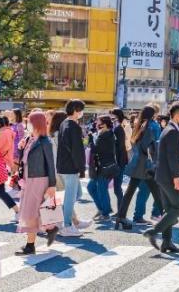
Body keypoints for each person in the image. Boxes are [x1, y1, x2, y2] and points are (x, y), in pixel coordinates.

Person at [143, 101, 179, 253]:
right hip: (169, 177)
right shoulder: (173, 131)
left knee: (169, 209)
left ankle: (167, 243)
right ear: (177, 115)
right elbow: (172, 157)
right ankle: (153, 232)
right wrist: (177, 178)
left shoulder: (168, 129)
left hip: (162, 176)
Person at [15, 110, 60, 256]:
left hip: (40, 180)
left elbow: (51, 165)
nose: (27, 124)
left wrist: (52, 185)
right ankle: (49, 229)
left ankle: (31, 244)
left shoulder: (45, 141)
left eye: (29, 121)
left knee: (31, 212)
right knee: (33, 212)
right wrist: (21, 148)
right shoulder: (29, 139)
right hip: (29, 179)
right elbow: (24, 160)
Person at [115, 104, 162, 230]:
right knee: (157, 191)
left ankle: (121, 217)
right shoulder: (153, 126)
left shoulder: (140, 124)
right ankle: (167, 216)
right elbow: (152, 146)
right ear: (153, 115)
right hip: (147, 164)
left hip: (138, 162)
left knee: (130, 191)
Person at [57, 99, 87, 237]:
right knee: (71, 196)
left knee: (76, 194)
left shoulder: (64, 123)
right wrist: (81, 168)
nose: (81, 113)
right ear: (75, 110)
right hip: (71, 166)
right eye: (81, 110)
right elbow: (77, 150)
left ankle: (64, 220)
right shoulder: (73, 126)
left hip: (63, 165)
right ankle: (67, 225)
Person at [88, 115, 119, 221]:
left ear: (104, 124)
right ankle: (102, 209)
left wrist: (91, 139)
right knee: (91, 187)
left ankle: (105, 213)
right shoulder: (105, 134)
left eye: (98, 122)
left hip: (105, 167)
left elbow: (96, 150)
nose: (96, 124)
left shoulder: (107, 135)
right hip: (101, 166)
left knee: (101, 189)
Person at [110, 108, 128, 211]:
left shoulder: (118, 129)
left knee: (117, 188)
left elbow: (120, 147)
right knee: (117, 188)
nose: (111, 118)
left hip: (119, 162)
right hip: (120, 161)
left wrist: (117, 163)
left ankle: (121, 211)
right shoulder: (117, 128)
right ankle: (120, 211)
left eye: (112, 115)